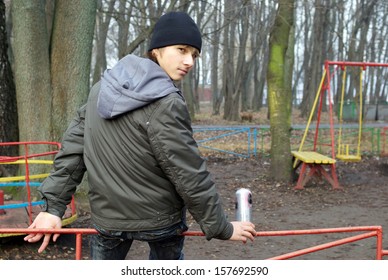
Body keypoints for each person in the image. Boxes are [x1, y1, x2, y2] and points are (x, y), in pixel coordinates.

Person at [24, 11, 256, 260]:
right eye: (182, 49)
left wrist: (53, 206)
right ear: (156, 50)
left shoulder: (100, 89)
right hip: (162, 223)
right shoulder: (167, 102)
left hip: (108, 220)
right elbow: (188, 173)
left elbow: (72, 151)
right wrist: (221, 226)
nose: (189, 61)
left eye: (195, 54)